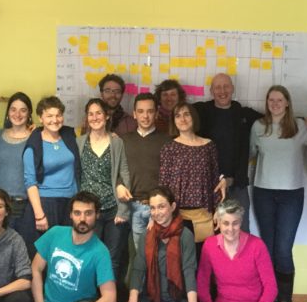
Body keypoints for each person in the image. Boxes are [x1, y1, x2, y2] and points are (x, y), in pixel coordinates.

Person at [18, 191, 124, 302]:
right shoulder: (55, 234)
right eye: (77, 213)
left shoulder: (100, 252)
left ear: (97, 215)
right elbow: (35, 269)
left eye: (88, 213)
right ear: (71, 215)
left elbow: (109, 299)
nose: (82, 219)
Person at [249, 85, 307, 302]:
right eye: (271, 100)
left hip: (291, 195)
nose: (275, 104)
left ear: (287, 102)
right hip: (263, 193)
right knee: (267, 248)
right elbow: (251, 154)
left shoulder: (300, 126)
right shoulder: (258, 126)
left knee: (283, 250)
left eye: (279, 100)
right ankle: (269, 298)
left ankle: (284, 301)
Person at [123, 186, 207, 302]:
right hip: (152, 297)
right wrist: (132, 301)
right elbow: (138, 269)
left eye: (161, 207)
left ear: (172, 207)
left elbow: (189, 272)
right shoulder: (147, 235)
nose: (156, 213)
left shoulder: (185, 235)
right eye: (153, 208)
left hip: (176, 299)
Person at [197, 199, 276, 302]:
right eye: (226, 223)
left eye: (235, 223)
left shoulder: (257, 245)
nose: (230, 229)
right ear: (218, 222)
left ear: (241, 222)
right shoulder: (209, 245)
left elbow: (271, 288)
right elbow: (202, 283)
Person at [194, 73, 262, 233]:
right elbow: (177, 112)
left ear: (232, 88)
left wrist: (302, 120)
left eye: (226, 86)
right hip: (210, 187)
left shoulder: (244, 114)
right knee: (210, 234)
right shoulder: (201, 111)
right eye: (217, 87)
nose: (222, 91)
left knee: (241, 233)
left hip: (237, 186)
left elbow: (274, 119)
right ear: (211, 91)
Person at [76, 98, 132, 285]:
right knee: (88, 255)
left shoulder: (117, 142)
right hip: (88, 212)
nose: (95, 117)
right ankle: (89, 297)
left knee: (112, 258)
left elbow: (124, 173)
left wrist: (123, 210)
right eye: (91, 114)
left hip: (112, 209)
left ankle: (109, 298)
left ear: (107, 116)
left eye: (99, 113)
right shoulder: (79, 142)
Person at [21, 96, 80, 259]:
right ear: (40, 118)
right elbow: (30, 182)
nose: (55, 120)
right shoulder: (33, 145)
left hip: (70, 204)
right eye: (49, 116)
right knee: (44, 256)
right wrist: (39, 214)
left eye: (58, 115)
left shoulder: (70, 137)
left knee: (66, 255)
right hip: (46, 205)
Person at [159, 102, 226, 246]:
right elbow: (164, 185)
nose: (182, 119)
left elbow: (215, 180)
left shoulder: (208, 146)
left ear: (193, 117)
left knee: (204, 255)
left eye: (186, 114)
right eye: (178, 116)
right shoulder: (169, 148)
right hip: (178, 214)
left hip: (204, 214)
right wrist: (163, 213)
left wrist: (218, 209)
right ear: (174, 121)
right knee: (181, 256)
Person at [121, 93, 171, 251]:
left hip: (157, 207)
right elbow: (116, 170)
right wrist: (119, 185)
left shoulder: (167, 141)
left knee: (159, 254)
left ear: (156, 113)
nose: (145, 116)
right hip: (131, 206)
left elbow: (171, 177)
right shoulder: (123, 141)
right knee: (139, 255)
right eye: (141, 111)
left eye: (150, 111)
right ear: (134, 114)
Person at [0, 92, 34, 225]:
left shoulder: (35, 137)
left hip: (23, 203)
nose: (17, 114)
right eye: (13, 109)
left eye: (23, 110)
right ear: (8, 112)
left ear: (29, 114)